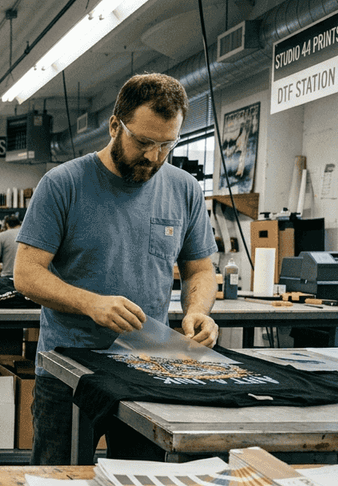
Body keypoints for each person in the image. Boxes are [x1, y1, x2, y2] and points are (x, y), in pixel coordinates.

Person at [13, 73, 219, 465]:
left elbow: (200, 270)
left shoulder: (185, 189)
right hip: (69, 372)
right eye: (142, 142)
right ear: (114, 125)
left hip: (146, 368)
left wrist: (197, 312)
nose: (153, 156)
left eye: (166, 145)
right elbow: (26, 274)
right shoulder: (63, 184)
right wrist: (90, 303)